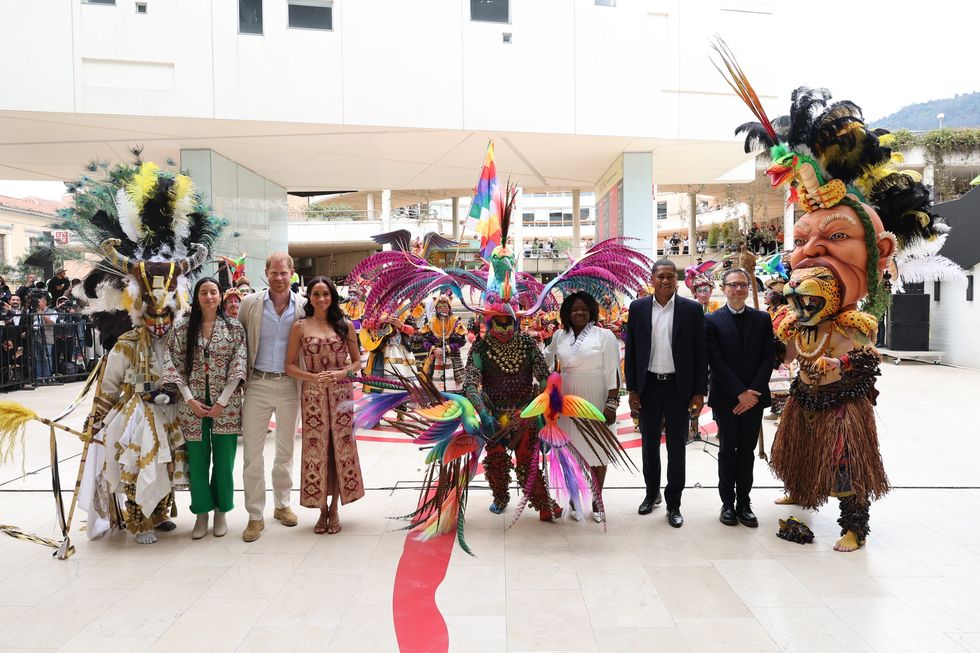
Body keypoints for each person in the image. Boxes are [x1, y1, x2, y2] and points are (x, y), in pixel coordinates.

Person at [73, 159, 219, 544]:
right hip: (137, 410)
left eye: (165, 313)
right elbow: (110, 384)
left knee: (167, 462)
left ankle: (160, 515)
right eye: (151, 314)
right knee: (140, 463)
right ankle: (138, 521)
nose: (159, 322)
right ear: (139, 310)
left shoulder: (182, 338)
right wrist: (98, 417)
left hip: (171, 409)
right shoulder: (126, 344)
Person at [624, 260, 707, 528]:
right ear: (652, 279)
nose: (665, 281)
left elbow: (699, 354)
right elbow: (632, 350)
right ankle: (652, 494)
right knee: (649, 445)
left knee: (676, 447)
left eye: (670, 276)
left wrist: (698, 392)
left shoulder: (692, 310)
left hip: (677, 388)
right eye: (660, 276)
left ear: (676, 280)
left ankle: (674, 503)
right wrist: (632, 388)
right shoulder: (637, 308)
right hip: (648, 386)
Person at [163, 277, 247, 539]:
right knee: (197, 464)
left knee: (224, 463)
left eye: (213, 292)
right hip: (192, 406)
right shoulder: (182, 328)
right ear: (196, 297)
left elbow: (239, 364)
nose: (209, 297)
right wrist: (188, 398)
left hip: (227, 406)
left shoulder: (234, 328)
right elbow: (173, 364)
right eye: (204, 292)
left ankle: (221, 512)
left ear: (220, 296)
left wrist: (222, 401)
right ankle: (201, 513)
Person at [285, 276, 363, 534]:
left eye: (326, 294)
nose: (321, 299)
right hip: (313, 397)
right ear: (309, 297)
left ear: (332, 296)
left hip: (342, 396)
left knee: (341, 448)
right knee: (317, 450)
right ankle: (321, 509)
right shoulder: (299, 327)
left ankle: (335, 508)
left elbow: (356, 363)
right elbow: (290, 366)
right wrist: (313, 377)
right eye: (316, 294)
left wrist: (341, 374)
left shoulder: (345, 325)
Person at [237, 252, 307, 542]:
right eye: (274, 273)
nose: (279, 278)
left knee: (285, 451)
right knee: (252, 453)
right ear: (266, 272)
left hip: (290, 385)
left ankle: (282, 504)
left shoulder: (303, 306)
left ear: (292, 273)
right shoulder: (249, 304)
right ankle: (255, 515)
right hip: (258, 383)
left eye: (284, 273)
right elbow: (239, 342)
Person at [705, 268, 775, 528]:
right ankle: (727, 503)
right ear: (723, 289)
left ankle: (744, 503)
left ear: (748, 288)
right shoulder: (712, 321)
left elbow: (768, 357)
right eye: (732, 285)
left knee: (747, 452)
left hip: (754, 400)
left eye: (743, 285)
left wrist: (752, 393)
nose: (738, 289)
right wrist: (739, 392)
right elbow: (716, 361)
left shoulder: (761, 318)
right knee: (727, 451)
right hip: (727, 399)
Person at [545, 291, 621, 523]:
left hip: (596, 395)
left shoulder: (604, 335)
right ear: (567, 313)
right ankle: (574, 498)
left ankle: (598, 500)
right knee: (571, 451)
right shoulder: (559, 335)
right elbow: (546, 359)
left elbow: (613, 370)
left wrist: (611, 403)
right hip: (568, 398)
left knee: (598, 450)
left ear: (591, 312)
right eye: (574, 309)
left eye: (584, 309)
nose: (579, 312)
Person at [415, 294, 466, 392]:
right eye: (439, 307)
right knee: (435, 387)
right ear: (436, 309)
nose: (442, 309)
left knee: (455, 387)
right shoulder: (431, 322)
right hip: (435, 358)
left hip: (452, 357)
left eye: (445, 306)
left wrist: (445, 349)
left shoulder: (455, 321)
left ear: (449, 308)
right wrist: (434, 349)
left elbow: (460, 341)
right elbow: (424, 340)